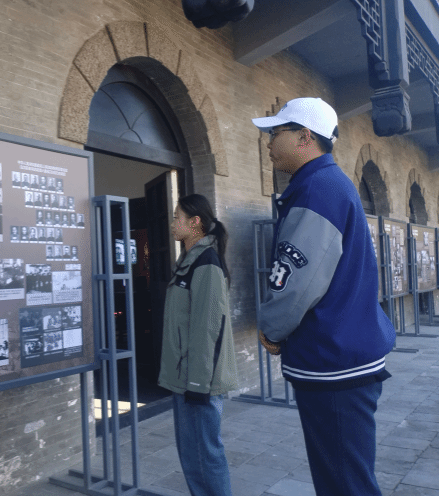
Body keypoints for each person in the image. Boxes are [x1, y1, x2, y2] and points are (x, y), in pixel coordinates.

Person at [252, 97, 396, 496]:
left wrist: (271, 329)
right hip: (343, 355)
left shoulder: (318, 189)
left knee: (344, 484)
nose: (268, 141)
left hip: (333, 361)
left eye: (275, 132)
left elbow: (298, 280)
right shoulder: (327, 184)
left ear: (304, 137)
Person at [158, 193, 237, 496]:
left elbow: (208, 330)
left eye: (176, 218)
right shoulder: (188, 261)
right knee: (192, 456)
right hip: (186, 376)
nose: (172, 224)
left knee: (205, 455)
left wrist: (198, 385)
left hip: (198, 380)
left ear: (195, 223)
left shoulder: (206, 263)